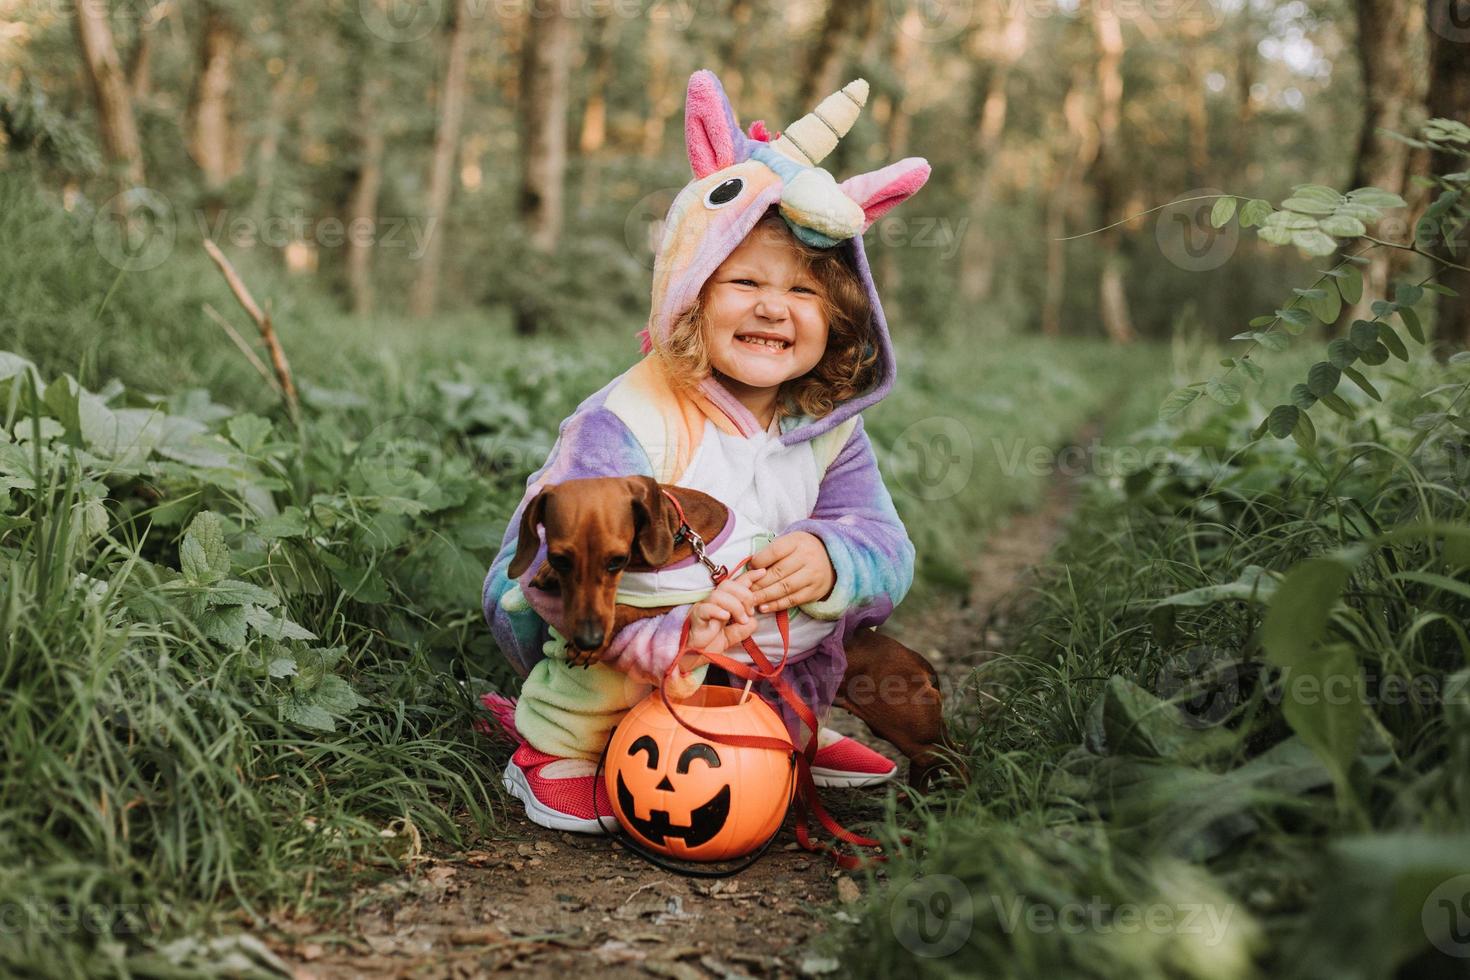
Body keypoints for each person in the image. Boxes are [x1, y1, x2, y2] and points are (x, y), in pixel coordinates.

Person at [481, 69, 932, 833]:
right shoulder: (626, 421)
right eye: (744, 280)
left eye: (803, 293)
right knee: (596, 661)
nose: (770, 307)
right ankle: (554, 750)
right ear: (691, 288)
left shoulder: (828, 426)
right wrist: (680, 624)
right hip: (621, 647)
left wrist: (832, 557)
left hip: (749, 657)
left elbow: (887, 544)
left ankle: (779, 733)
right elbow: (551, 576)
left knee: (838, 631)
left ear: (843, 315)